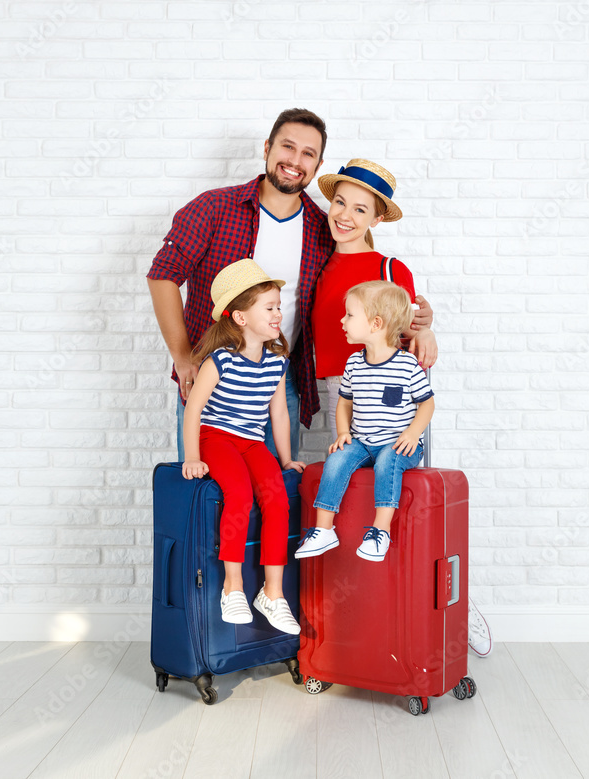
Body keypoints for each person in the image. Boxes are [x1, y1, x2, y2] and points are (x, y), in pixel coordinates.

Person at [147, 107, 335, 463]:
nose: (295, 160)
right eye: (287, 147)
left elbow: (355, 291)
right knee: (207, 496)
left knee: (274, 498)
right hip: (213, 380)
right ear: (267, 148)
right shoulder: (215, 208)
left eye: (308, 154)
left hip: (279, 384)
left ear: (318, 164)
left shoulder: (322, 229)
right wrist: (183, 357)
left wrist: (417, 324)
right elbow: (163, 275)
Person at [182, 259, 306, 633]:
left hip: (252, 443)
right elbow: (194, 410)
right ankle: (232, 585)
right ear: (239, 317)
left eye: (279, 306)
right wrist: (191, 456)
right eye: (269, 307)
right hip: (216, 438)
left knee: (278, 500)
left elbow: (279, 415)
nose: (278, 314)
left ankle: (272, 592)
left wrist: (286, 460)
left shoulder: (276, 363)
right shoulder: (218, 361)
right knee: (239, 495)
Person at [295, 281, 434, 561]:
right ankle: (323, 530)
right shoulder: (354, 363)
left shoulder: (406, 365)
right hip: (363, 441)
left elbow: (427, 403)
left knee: (387, 461)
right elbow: (345, 401)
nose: (342, 320)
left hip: (397, 444)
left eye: (349, 315)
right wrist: (344, 432)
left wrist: (412, 433)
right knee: (337, 458)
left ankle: (380, 531)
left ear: (375, 323)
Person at [307, 159, 437, 419]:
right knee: (344, 459)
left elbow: (409, 331)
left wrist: (426, 333)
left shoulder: (391, 270)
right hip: (338, 386)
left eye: (359, 210)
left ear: (376, 219)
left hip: (386, 384)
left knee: (390, 457)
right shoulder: (316, 270)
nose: (344, 216)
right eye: (340, 202)